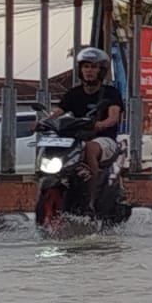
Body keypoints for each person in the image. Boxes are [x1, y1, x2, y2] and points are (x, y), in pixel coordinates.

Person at [53, 46, 124, 208]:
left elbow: (114, 115)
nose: (89, 71)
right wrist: (44, 121)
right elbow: (58, 111)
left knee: (89, 148)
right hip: (79, 139)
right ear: (80, 70)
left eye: (93, 67)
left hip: (105, 141)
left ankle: (91, 198)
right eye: (86, 66)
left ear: (101, 70)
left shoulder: (110, 93)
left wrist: (103, 124)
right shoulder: (73, 93)